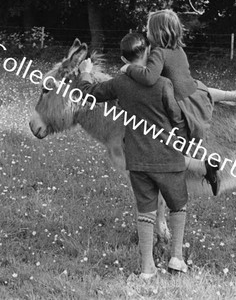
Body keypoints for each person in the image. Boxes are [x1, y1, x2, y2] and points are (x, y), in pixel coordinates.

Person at [77, 33, 191, 278]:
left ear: (122, 58)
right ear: (148, 53)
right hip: (168, 158)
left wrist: (86, 72)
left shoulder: (119, 84)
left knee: (146, 212)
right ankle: (176, 258)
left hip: (138, 159)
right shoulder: (163, 84)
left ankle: (147, 269)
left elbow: (90, 93)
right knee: (178, 205)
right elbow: (177, 117)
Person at [121, 9, 236, 196]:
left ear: (157, 33)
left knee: (165, 147)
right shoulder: (178, 50)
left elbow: (149, 78)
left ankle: (202, 167)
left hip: (180, 103)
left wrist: (130, 68)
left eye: (148, 29)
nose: (146, 32)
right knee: (209, 91)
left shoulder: (158, 53)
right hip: (195, 92)